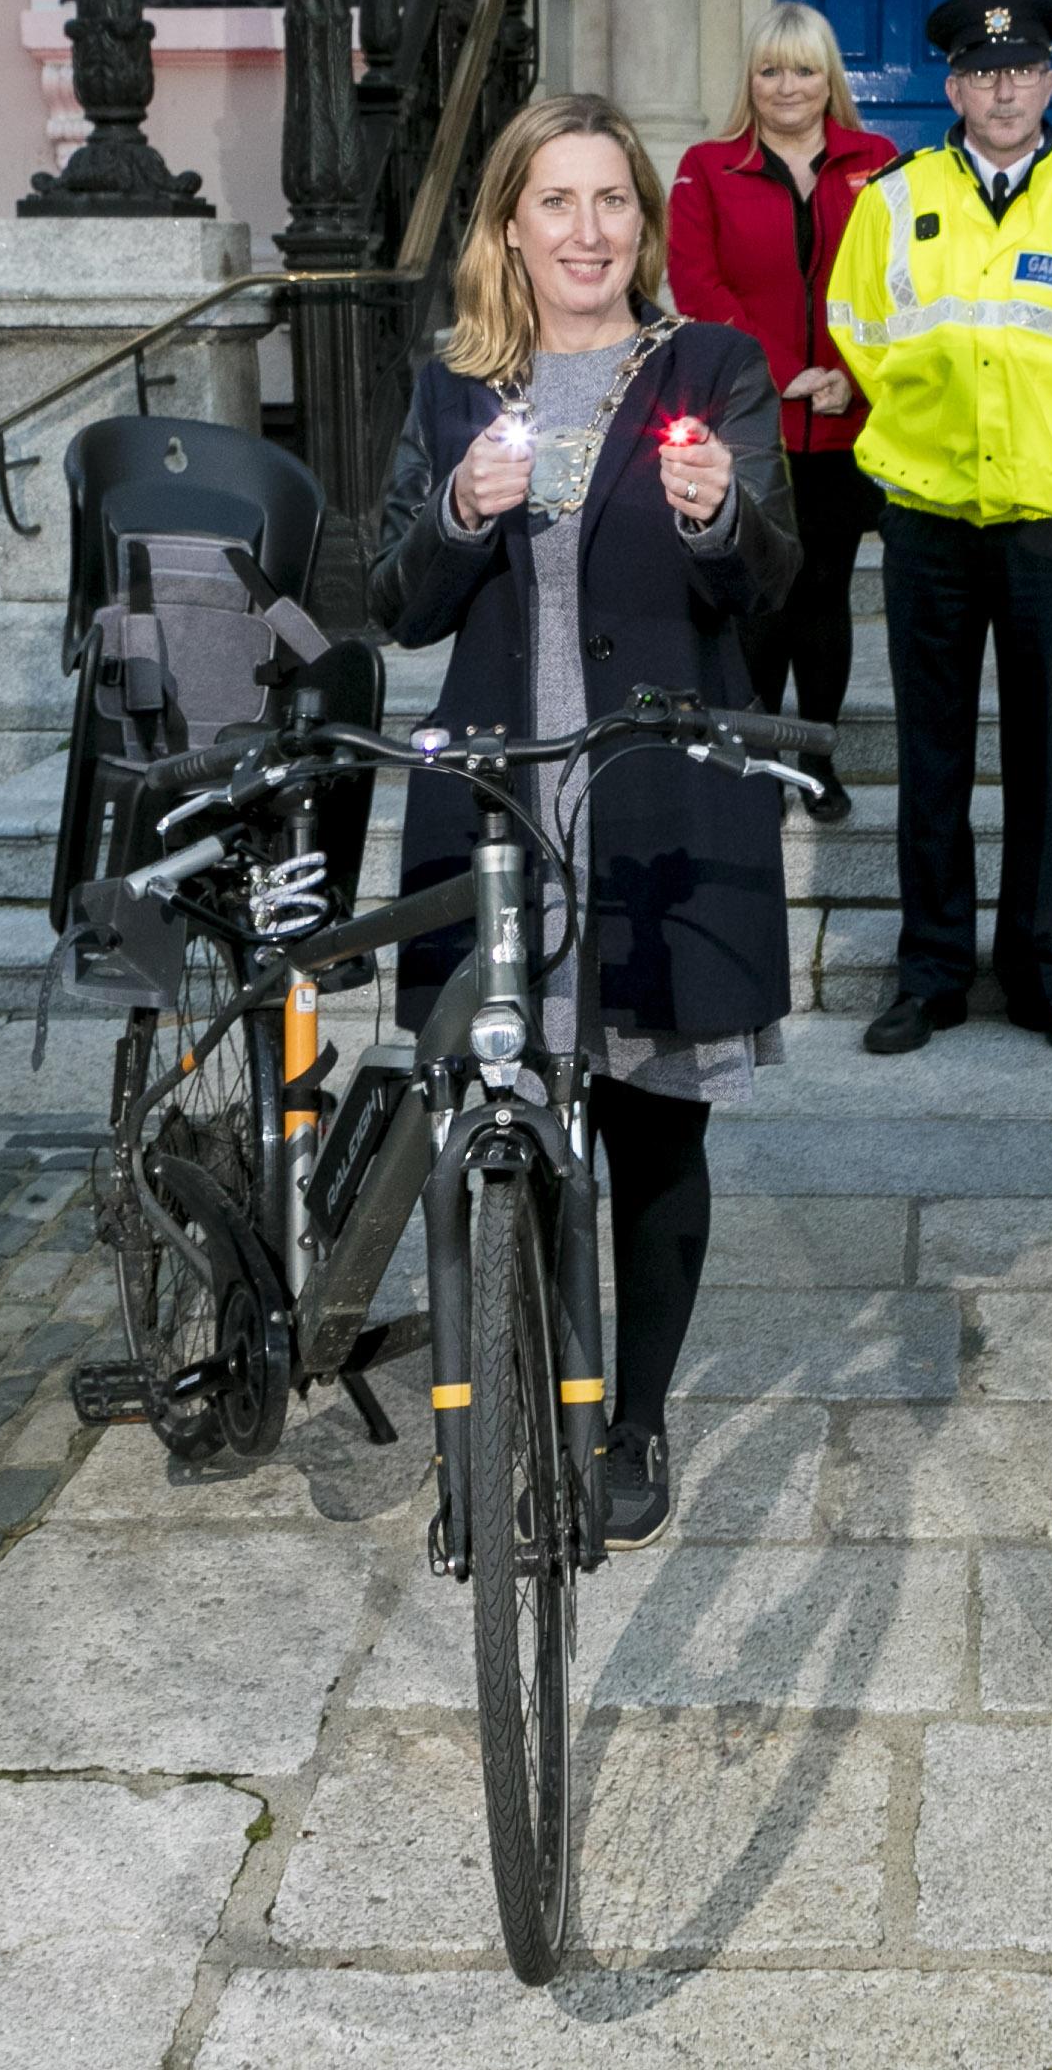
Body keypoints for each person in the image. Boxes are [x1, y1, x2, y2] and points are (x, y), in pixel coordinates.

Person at [373, 92, 802, 1550]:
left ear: (645, 223)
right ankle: (546, 1385)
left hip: (657, 795)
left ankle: (633, 1418)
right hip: (498, 802)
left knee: (650, 1124)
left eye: (612, 201)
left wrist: (711, 516)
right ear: (510, 222)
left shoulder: (717, 366)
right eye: (556, 201)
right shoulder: (452, 390)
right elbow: (398, 600)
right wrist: (455, 509)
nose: (588, 230)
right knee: (511, 1116)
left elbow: (773, 579)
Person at [830, 0, 1052, 1060]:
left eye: (1021, 70)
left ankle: (1036, 970)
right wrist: (928, 423)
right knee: (930, 756)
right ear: (952, 86)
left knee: (1044, 752)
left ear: (1050, 79)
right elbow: (856, 327)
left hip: (1050, 521)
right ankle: (929, 970)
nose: (1003, 88)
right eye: (982, 73)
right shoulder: (892, 200)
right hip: (927, 513)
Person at [667, 2, 901, 823]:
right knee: (759, 596)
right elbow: (697, 285)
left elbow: (896, 284)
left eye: (804, 69)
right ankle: (760, 759)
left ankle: (817, 759)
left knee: (823, 591)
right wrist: (775, 374)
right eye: (770, 70)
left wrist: (847, 374)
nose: (787, 85)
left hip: (843, 420)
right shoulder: (707, 167)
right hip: (747, 423)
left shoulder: (878, 163)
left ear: (829, 77)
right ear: (751, 81)